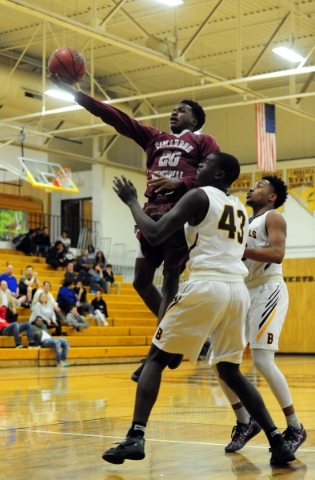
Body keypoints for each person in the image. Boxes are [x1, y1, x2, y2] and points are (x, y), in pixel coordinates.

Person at [101, 152, 295, 467]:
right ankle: (277, 440)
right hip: (237, 291)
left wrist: (132, 202)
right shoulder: (238, 210)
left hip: (207, 285)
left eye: (204, 165)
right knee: (230, 369)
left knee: (155, 359)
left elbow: (153, 233)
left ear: (218, 174)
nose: (198, 168)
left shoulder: (199, 196)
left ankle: (135, 437)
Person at [49, 74, 220, 380]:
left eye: (182, 110)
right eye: (174, 110)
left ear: (195, 119)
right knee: (141, 282)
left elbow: (215, 175)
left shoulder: (203, 141)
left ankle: (157, 350)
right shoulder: (154, 137)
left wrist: (180, 181)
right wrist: (76, 94)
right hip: (150, 213)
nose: (174, 112)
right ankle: (173, 339)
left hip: (178, 214)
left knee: (169, 285)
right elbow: (116, 117)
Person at [213, 175, 306, 454]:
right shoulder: (242, 220)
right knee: (219, 361)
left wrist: (242, 251)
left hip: (268, 288)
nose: (252, 188)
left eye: (260, 186)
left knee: (263, 360)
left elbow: (277, 253)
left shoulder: (273, 218)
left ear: (272, 196)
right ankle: (245, 421)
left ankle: (295, 426)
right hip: (242, 291)